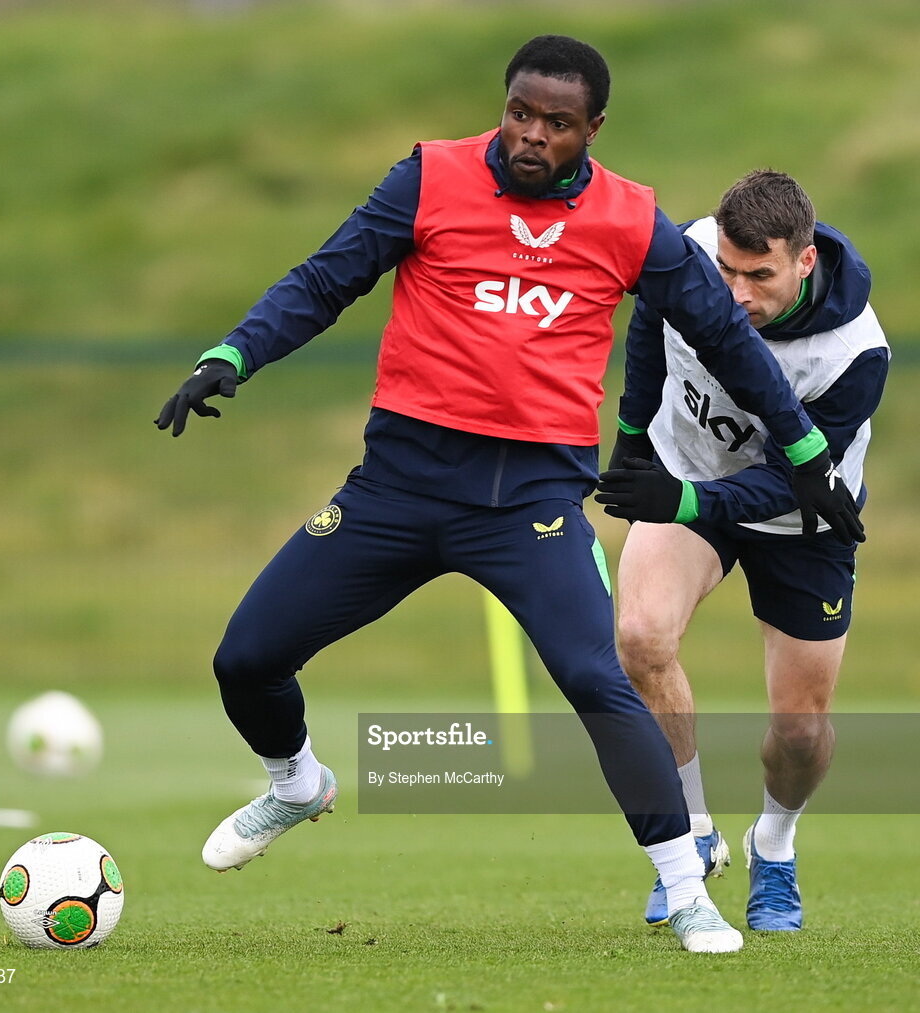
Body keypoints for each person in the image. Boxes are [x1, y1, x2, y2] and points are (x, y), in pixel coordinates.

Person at [156, 36, 859, 954]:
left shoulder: (631, 220)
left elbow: (725, 338)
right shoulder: (428, 178)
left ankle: (688, 890)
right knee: (244, 659)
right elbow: (326, 279)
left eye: (556, 124)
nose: (531, 136)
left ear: (592, 130)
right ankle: (296, 784)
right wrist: (233, 352)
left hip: (530, 504)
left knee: (599, 679)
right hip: (397, 489)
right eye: (519, 113)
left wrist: (805, 446)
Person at [595, 170, 888, 930]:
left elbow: (797, 484)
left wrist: (684, 500)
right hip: (687, 481)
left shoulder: (854, 354)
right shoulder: (688, 253)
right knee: (640, 636)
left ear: (805, 260)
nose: (733, 293)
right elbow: (649, 325)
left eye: (758, 276)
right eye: (726, 269)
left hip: (801, 522)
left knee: (800, 729)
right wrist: (632, 439)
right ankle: (689, 837)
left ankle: (776, 844)